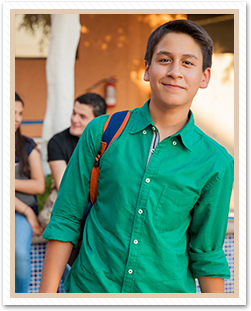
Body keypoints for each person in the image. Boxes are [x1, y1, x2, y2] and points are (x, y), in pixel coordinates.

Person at [40, 20, 234, 293]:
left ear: (204, 77)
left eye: (188, 63)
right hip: (90, 289)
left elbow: (207, 254)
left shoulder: (215, 162)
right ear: (147, 69)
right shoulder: (102, 132)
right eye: (165, 59)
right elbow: (66, 219)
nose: (175, 71)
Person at [15, 92, 45, 293]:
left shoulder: (27, 146)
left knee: (18, 253)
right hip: (24, 210)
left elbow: (39, 186)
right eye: (12, 112)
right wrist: (26, 210)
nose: (17, 118)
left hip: (19, 213)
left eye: (20, 113)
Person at [47, 92, 107, 192]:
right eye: (74, 113)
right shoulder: (57, 142)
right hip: (69, 198)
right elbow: (63, 185)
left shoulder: (109, 141)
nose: (74, 119)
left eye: (82, 116)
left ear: (98, 121)